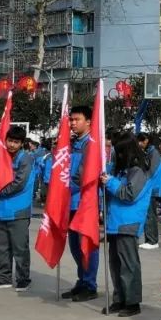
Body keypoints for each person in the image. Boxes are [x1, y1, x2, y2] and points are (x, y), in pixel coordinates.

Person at [100, 132, 154, 316]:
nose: (117, 156)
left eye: (119, 152)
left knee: (128, 264)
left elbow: (129, 194)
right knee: (115, 264)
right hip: (115, 222)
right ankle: (119, 298)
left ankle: (132, 302)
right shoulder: (121, 171)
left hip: (128, 223)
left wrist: (111, 182)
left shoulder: (138, 171)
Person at [0, 126, 37, 292]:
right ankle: (3, 278)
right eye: (10, 141)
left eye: (16, 142)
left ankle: (23, 279)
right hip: (2, 209)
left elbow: (19, 183)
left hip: (18, 209)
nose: (12, 145)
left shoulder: (25, 158)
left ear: (21, 143)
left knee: (20, 247)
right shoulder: (2, 156)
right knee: (2, 247)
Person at [64, 104, 99, 301]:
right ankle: (82, 279)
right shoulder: (72, 144)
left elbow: (83, 175)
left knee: (87, 244)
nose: (73, 123)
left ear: (88, 121)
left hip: (84, 203)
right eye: (71, 120)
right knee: (75, 246)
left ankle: (90, 284)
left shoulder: (91, 145)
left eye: (77, 120)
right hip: (70, 202)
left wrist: (63, 187)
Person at [137, 132, 161, 251]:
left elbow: (151, 171)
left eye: (140, 141)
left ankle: (152, 240)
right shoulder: (151, 152)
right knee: (149, 213)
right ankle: (150, 239)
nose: (139, 144)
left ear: (146, 140)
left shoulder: (154, 153)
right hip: (150, 187)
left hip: (152, 187)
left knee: (150, 214)